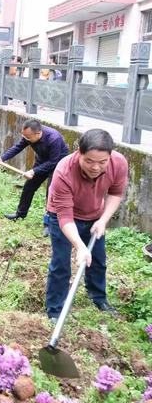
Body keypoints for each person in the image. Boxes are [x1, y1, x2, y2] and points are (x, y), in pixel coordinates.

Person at [45, 129, 128, 322]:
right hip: (63, 217)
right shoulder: (64, 171)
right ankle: (55, 310)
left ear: (110, 156)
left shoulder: (119, 163)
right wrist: (80, 247)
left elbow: (116, 193)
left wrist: (103, 220)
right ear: (79, 153)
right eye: (89, 161)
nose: (96, 167)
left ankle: (98, 298)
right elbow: (65, 216)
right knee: (61, 264)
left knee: (98, 260)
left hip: (95, 216)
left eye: (102, 162)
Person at [0, 119, 69, 236]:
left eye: (28, 137)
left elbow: (53, 162)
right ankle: (20, 214)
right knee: (29, 187)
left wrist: (34, 171)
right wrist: (2, 158)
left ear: (38, 134)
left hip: (57, 165)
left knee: (51, 194)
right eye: (24, 136)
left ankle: (49, 225)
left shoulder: (54, 138)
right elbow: (18, 147)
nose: (26, 139)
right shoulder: (29, 135)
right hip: (42, 161)